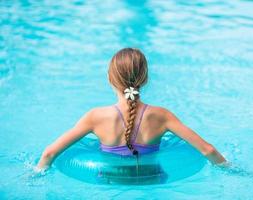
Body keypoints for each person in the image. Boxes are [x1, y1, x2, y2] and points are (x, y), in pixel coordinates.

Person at [35, 48, 227, 176]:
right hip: (152, 180)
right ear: (145, 79)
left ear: (110, 78)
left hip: (111, 181)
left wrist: (35, 174)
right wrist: (230, 169)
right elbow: (208, 150)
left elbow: (50, 153)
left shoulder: (95, 117)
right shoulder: (162, 116)